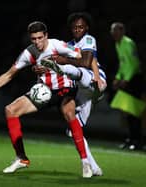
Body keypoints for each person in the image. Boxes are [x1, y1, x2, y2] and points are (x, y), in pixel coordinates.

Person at [0, 21, 93, 178]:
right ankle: (21, 158)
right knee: (10, 110)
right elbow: (9, 74)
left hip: (65, 89)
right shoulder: (29, 52)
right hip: (44, 92)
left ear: (46, 35)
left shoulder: (57, 45)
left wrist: (59, 61)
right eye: (34, 39)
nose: (37, 42)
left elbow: (82, 57)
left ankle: (85, 162)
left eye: (40, 38)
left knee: (69, 113)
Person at [33, 12, 107, 176]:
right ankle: (93, 167)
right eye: (74, 27)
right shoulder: (68, 45)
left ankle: (89, 87)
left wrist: (62, 61)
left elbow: (89, 61)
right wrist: (44, 68)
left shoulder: (89, 39)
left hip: (95, 81)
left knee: (79, 70)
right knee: (74, 130)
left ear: (86, 27)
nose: (77, 30)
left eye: (80, 27)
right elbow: (56, 60)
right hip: (82, 90)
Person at [110, 22, 144, 150]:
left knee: (134, 112)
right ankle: (131, 138)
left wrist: (127, 80)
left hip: (135, 79)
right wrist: (118, 78)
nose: (113, 33)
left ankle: (137, 140)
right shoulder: (117, 44)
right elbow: (123, 64)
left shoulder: (128, 43)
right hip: (127, 79)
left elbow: (134, 64)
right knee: (127, 111)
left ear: (122, 31)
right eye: (112, 31)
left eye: (115, 31)